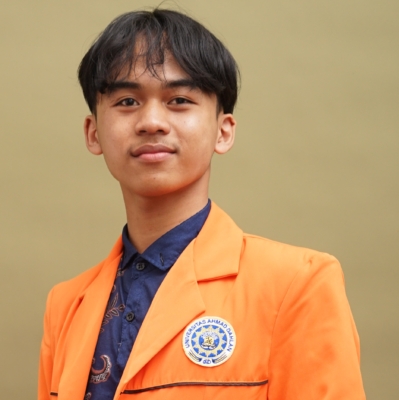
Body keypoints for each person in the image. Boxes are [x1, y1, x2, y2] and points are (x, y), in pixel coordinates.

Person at [38, 8, 365, 400]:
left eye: (178, 99)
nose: (151, 121)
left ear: (222, 131)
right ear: (93, 133)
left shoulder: (296, 285)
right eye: (127, 101)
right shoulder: (66, 305)